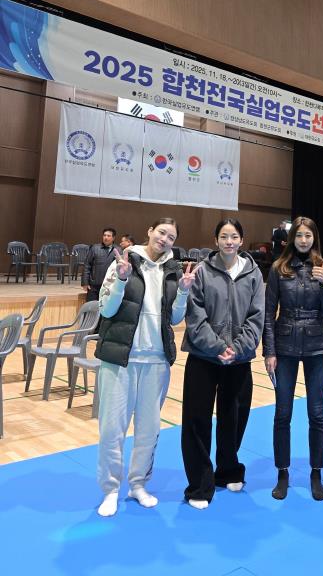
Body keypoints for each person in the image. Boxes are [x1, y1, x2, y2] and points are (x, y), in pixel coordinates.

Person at [94, 218, 198, 517]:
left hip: (156, 362)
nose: (165, 239)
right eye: (161, 232)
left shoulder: (174, 271)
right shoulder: (124, 262)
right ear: (150, 232)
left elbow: (175, 318)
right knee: (111, 430)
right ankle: (110, 490)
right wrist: (121, 280)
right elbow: (106, 309)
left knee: (148, 431)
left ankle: (138, 484)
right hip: (120, 360)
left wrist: (183, 292)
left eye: (171, 236)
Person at [182, 219, 265, 510]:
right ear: (215, 240)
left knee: (234, 417)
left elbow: (257, 316)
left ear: (241, 240)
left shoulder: (254, 273)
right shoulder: (202, 271)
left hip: (239, 359)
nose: (229, 241)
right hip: (203, 357)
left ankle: (228, 470)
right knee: (197, 421)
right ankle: (199, 484)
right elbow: (195, 316)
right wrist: (218, 347)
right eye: (224, 236)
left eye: (234, 236)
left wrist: (238, 349)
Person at [263, 216, 323, 501]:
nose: (304, 240)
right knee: (283, 413)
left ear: (314, 238)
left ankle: (316, 474)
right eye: (299, 235)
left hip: (318, 347)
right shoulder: (278, 268)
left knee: (317, 413)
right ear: (292, 238)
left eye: (308, 235)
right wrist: (269, 351)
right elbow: (269, 313)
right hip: (284, 346)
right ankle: (282, 473)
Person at [82, 227, 117, 301]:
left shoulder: (118, 250)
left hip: (109, 287)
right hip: (94, 287)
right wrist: (85, 282)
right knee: (91, 307)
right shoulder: (94, 248)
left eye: (108, 236)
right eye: (104, 235)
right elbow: (87, 265)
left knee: (106, 308)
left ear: (113, 238)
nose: (106, 237)